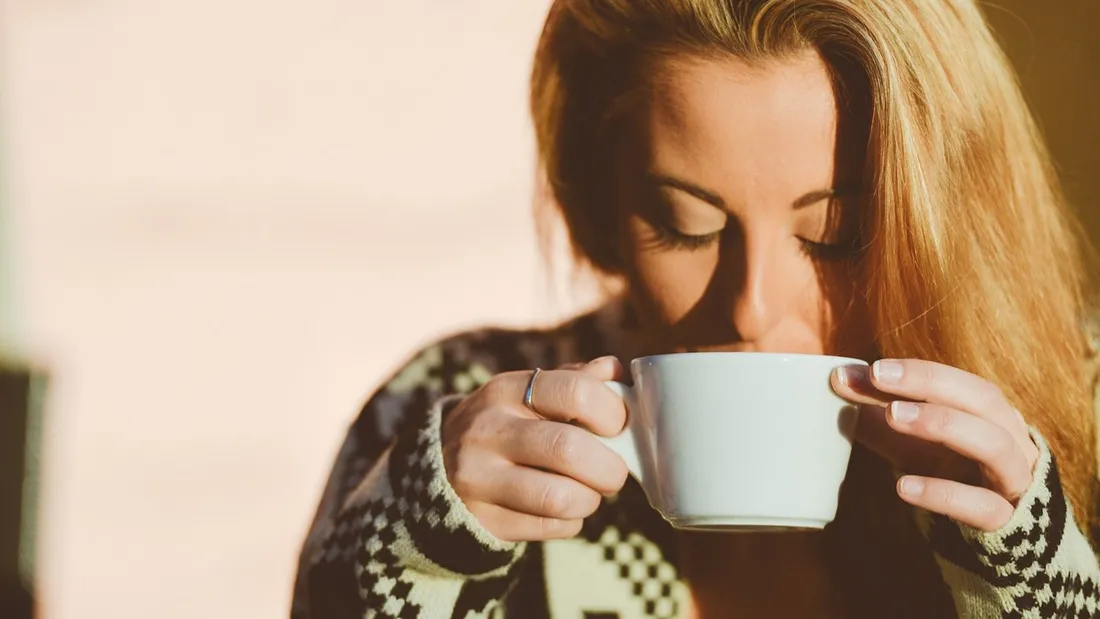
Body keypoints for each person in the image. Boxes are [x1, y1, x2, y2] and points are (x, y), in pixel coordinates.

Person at [291, 1, 1100, 617]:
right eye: (687, 226)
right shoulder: (450, 399)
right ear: (602, 203)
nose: (749, 308)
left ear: (948, 212)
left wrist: (1035, 575)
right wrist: (418, 556)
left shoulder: (1078, 410)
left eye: (836, 235)